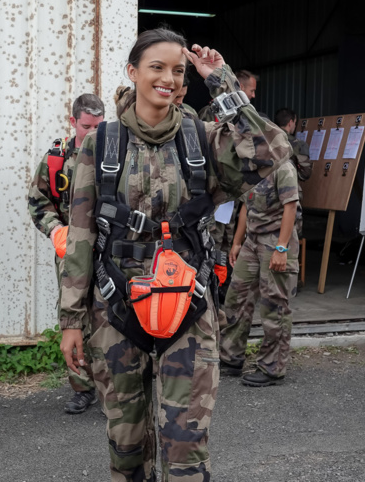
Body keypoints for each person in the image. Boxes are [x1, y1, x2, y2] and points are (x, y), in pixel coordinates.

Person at [59, 28, 290, 481]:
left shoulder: (203, 139)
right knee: (126, 446)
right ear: (133, 72)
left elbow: (271, 152)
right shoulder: (100, 143)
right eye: (156, 67)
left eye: (178, 71)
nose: (168, 78)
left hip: (190, 305)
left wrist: (220, 80)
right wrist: (71, 320)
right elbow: (81, 234)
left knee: (185, 447)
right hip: (117, 307)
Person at [28, 93, 105, 414]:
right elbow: (38, 202)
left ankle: (112, 388)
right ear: (73, 122)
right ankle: (82, 387)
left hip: (107, 251)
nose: (94, 133)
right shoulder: (56, 159)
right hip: (70, 254)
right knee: (74, 321)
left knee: (107, 319)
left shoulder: (114, 154)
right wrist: (55, 230)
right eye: (87, 126)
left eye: (100, 126)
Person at [218, 160, 300, 387]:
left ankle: (272, 367)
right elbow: (246, 205)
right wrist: (236, 241)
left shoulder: (282, 167)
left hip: (275, 241)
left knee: (274, 304)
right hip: (252, 242)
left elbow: (290, 206)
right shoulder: (251, 167)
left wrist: (281, 248)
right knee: (237, 296)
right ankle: (230, 357)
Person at [274, 107, 312, 235]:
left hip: (265, 193)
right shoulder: (298, 144)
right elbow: (305, 174)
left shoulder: (265, 141)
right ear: (291, 122)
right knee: (291, 235)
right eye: (295, 123)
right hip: (289, 193)